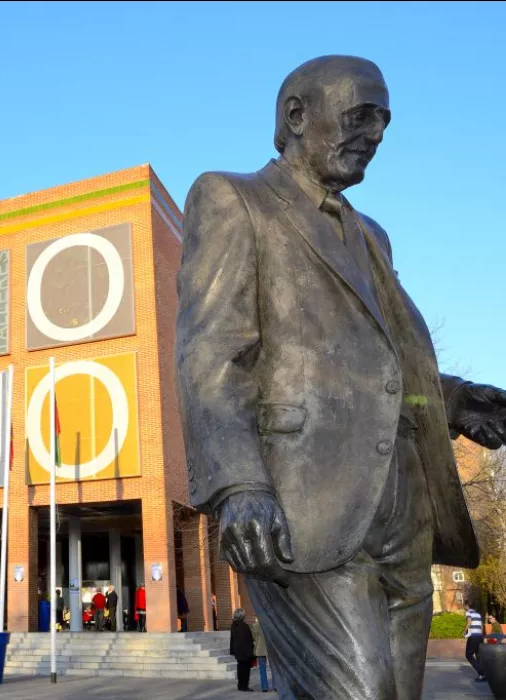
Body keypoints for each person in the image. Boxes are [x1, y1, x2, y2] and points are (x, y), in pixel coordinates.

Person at [176, 54, 506, 699]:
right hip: (304, 509)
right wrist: (240, 482)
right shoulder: (232, 197)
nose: (375, 134)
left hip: (403, 511)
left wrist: (457, 400)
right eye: (360, 115)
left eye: (383, 121)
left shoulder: (372, 235)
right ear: (297, 115)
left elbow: (380, 366)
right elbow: (211, 352)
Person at [229, 609, 254, 692]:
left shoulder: (234, 625)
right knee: (245, 669)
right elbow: (249, 639)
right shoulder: (244, 626)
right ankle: (244, 686)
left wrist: (233, 650)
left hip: (238, 651)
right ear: (242, 616)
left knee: (240, 668)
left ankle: (240, 685)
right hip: (245, 652)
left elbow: (232, 639)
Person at [250, 615, 275, 693]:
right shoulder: (270, 624)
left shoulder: (254, 626)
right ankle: (276, 686)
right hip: (270, 649)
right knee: (274, 669)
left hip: (260, 649)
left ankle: (264, 687)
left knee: (262, 669)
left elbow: (254, 639)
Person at [465, 604, 486, 682]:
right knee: (478, 655)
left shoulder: (468, 613)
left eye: (464, 606)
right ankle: (482, 675)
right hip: (480, 636)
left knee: (468, 655)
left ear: (467, 606)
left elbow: (469, 622)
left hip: (473, 636)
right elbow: (481, 626)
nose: (464, 608)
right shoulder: (478, 614)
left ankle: (482, 673)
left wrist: (464, 631)